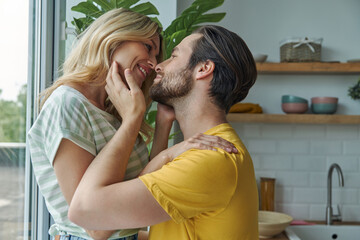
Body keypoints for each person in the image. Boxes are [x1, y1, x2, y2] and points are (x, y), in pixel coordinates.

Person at [27, 8, 236, 240]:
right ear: (113, 37)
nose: (154, 63)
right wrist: (140, 128)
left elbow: (142, 184)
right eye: (148, 47)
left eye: (157, 55)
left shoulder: (114, 109)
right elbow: (96, 225)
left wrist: (163, 124)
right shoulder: (67, 104)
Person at [68, 25, 259, 240]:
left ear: (203, 68)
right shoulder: (208, 150)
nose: (159, 66)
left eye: (174, 56)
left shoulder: (210, 158)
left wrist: (133, 120)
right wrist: (163, 131)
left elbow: (85, 211)